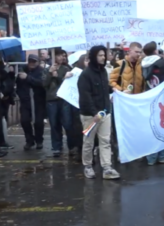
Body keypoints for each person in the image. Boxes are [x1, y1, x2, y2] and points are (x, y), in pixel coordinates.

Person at [78, 45, 120, 180]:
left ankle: (107, 167)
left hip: (105, 112)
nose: (103, 58)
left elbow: (103, 89)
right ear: (94, 57)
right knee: (89, 141)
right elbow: (85, 96)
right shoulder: (85, 75)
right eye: (100, 55)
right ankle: (88, 166)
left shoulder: (103, 72)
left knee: (105, 140)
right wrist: (94, 113)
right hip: (90, 115)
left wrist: (114, 90)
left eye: (104, 55)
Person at [141, 41, 164, 165]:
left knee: (152, 128)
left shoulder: (143, 63)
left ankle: (151, 158)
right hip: (163, 100)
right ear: (156, 51)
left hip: (150, 99)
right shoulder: (160, 62)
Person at [43, 49, 73, 157]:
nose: (62, 57)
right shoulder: (47, 69)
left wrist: (59, 77)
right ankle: (56, 147)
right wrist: (50, 73)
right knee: (54, 124)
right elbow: (44, 84)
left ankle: (71, 146)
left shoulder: (67, 68)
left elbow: (68, 84)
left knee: (67, 123)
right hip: (51, 100)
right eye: (60, 55)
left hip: (64, 99)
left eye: (64, 55)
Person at [17, 54, 46, 150]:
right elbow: (18, 85)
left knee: (38, 122)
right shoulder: (23, 69)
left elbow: (42, 83)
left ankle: (39, 140)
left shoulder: (41, 71)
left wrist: (28, 78)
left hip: (38, 101)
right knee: (24, 121)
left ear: (37, 62)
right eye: (30, 61)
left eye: (34, 62)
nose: (32, 63)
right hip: (26, 101)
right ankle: (29, 140)